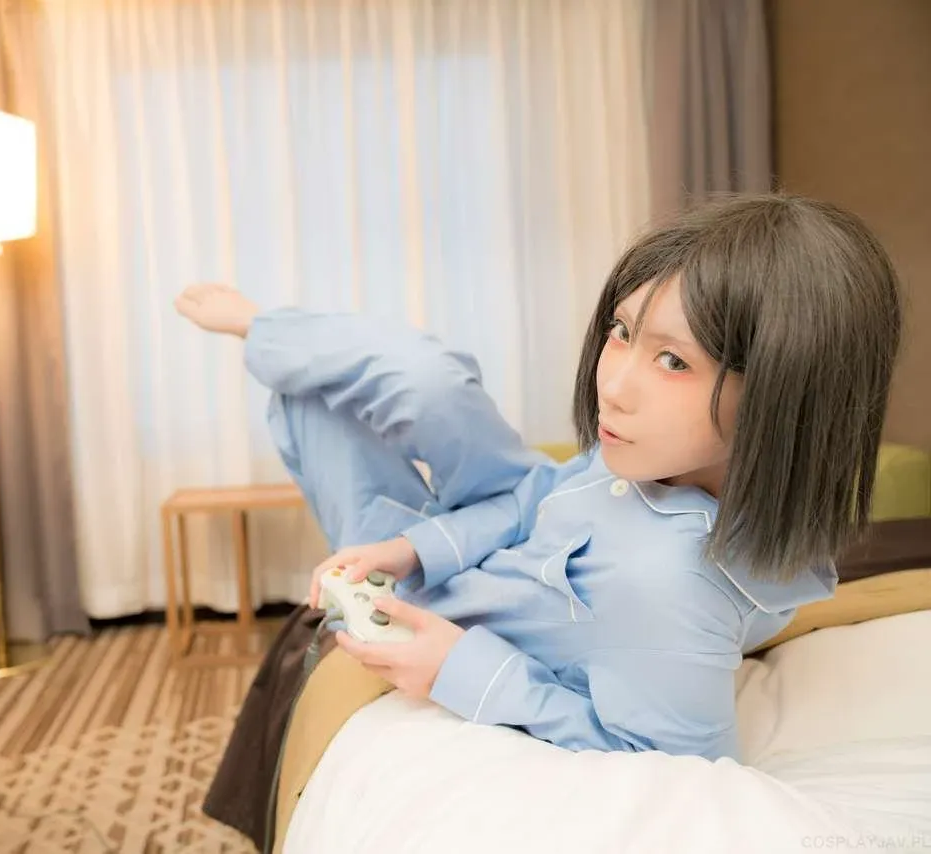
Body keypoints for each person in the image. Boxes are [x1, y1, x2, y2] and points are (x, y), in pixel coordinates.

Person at [176, 193, 904, 847]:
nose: (613, 386)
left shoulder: (669, 584)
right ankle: (264, 327)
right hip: (500, 507)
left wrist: (458, 667)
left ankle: (270, 336)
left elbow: (667, 764)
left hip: (453, 599)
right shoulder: (648, 458)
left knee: (314, 397)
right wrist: (413, 547)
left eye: (673, 362)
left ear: (785, 396)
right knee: (427, 382)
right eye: (621, 331)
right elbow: (541, 495)